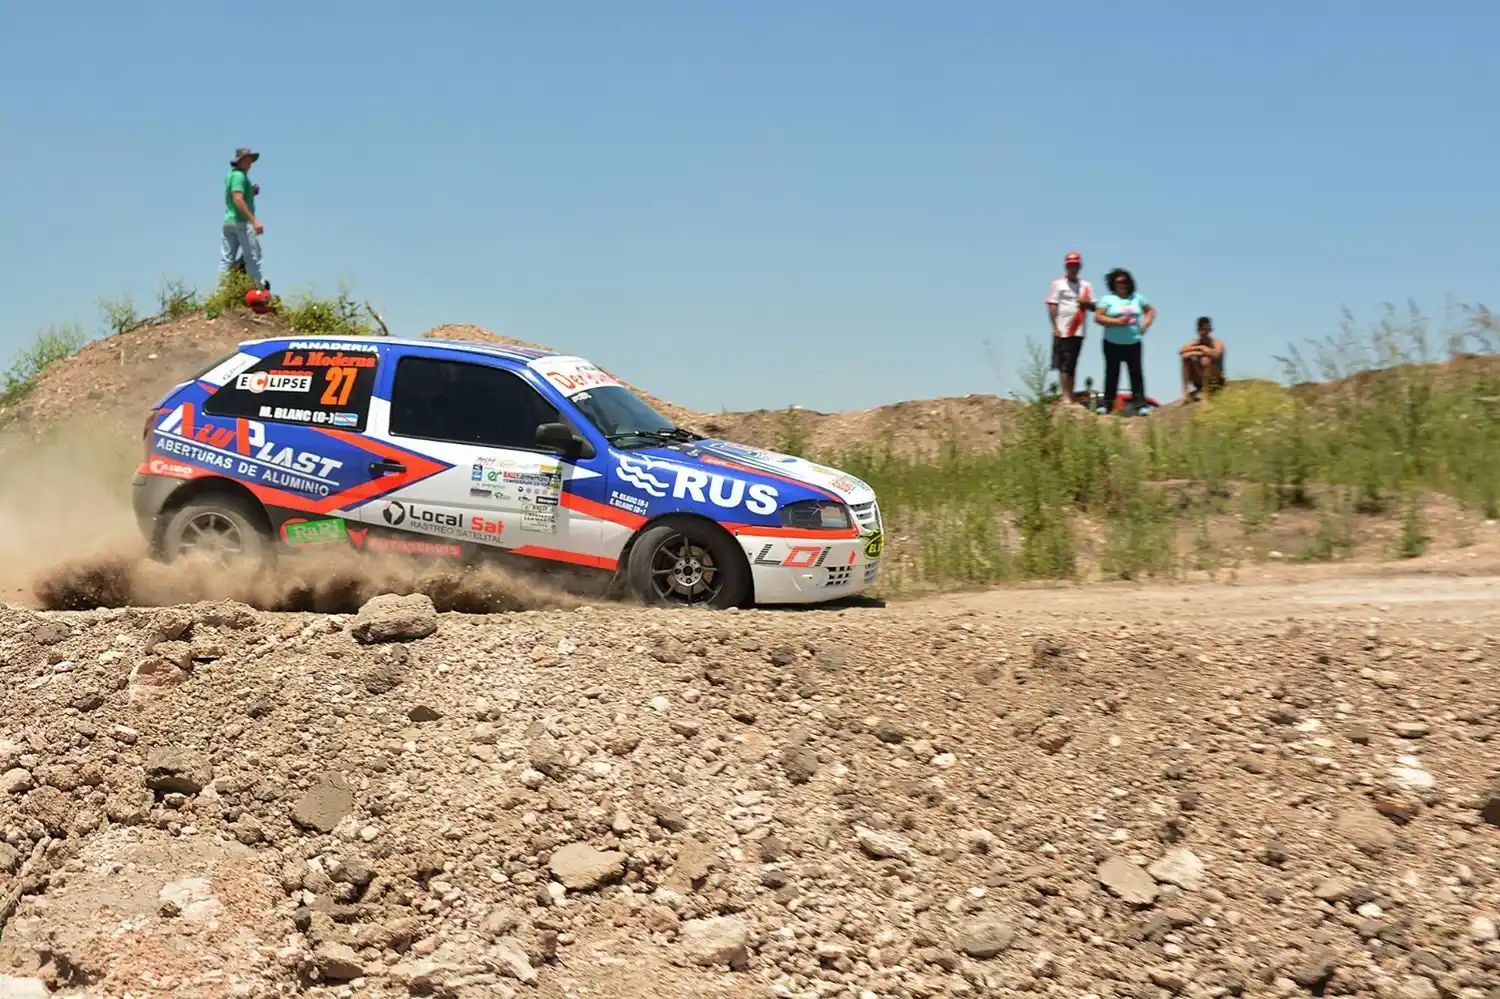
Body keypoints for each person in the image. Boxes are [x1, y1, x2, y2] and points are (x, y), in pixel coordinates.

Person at [1093, 267, 1155, 414]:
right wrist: (1117, 322)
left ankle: (1140, 405)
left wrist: (1145, 324)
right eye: (1118, 282)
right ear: (1112, 283)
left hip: (1133, 342)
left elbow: (1150, 311)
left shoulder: (1137, 298)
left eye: (1124, 281)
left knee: (1136, 373)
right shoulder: (1108, 299)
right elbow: (1098, 317)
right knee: (1111, 373)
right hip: (1112, 343)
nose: (1121, 284)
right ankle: (1107, 405)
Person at [1045, 251, 1095, 405]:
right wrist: (1054, 326)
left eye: (1075, 265)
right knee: (1063, 362)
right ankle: (1065, 394)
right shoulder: (1058, 284)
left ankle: (1071, 394)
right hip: (1063, 329)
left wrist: (1085, 302)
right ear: (1066, 267)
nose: (1073, 268)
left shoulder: (1086, 286)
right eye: (1070, 265)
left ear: (1079, 267)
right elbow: (1052, 304)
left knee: (1073, 361)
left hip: (1079, 329)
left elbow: (1094, 307)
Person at [222, 147, 268, 290]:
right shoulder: (239, 176)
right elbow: (237, 199)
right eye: (247, 160)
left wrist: (251, 193)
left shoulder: (231, 175)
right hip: (241, 222)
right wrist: (254, 221)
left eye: (250, 160)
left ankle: (221, 293)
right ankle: (258, 290)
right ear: (239, 161)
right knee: (253, 257)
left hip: (229, 222)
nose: (250, 163)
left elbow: (235, 196)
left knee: (227, 260)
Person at [1180, 317, 1226, 399]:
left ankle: (1206, 393)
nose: (1204, 332)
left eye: (1206, 329)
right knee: (1185, 358)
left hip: (1215, 379)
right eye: (1202, 330)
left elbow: (1216, 354)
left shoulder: (1217, 342)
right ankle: (1185, 395)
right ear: (1198, 330)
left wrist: (1204, 352)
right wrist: (1201, 349)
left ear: (1210, 329)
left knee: (1205, 359)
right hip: (1199, 379)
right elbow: (1181, 351)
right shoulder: (1194, 342)